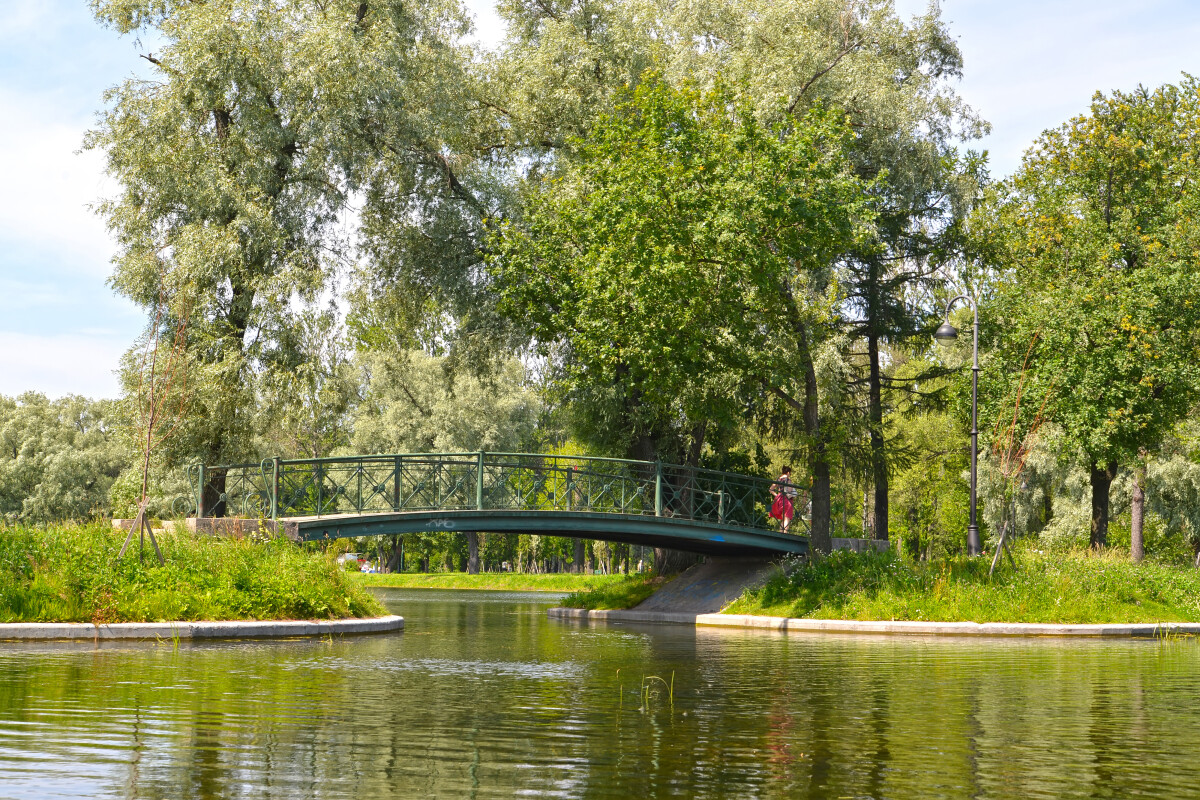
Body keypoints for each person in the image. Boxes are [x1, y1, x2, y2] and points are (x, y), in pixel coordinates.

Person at [769, 466, 798, 533]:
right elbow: (790, 490)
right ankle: (785, 534)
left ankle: (781, 534)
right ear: (788, 473)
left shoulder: (778, 479)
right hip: (787, 500)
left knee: (783, 519)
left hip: (779, 500)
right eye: (790, 474)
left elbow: (771, 489)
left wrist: (777, 495)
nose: (790, 475)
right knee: (787, 518)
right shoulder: (788, 480)